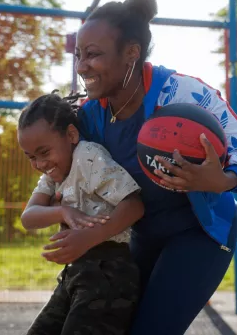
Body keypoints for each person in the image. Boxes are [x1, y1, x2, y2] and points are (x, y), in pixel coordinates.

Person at [40, 0, 237, 334]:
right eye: (78, 55)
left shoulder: (183, 94)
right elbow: (59, 169)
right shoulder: (89, 117)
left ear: (131, 53)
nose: (82, 65)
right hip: (142, 232)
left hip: (200, 231)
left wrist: (220, 180)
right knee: (115, 324)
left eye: (93, 55)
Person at [17, 91, 145, 335]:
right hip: (75, 274)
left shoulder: (88, 157)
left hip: (109, 273)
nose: (40, 164)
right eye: (31, 157)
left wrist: (89, 237)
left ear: (71, 135)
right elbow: (28, 217)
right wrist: (62, 212)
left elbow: (134, 205)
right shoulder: (52, 174)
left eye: (44, 152)